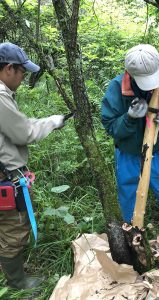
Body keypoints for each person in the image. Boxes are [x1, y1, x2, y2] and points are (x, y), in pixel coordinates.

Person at [101, 44, 159, 251]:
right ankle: (134, 247)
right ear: (131, 74)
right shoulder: (117, 88)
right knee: (128, 199)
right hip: (127, 155)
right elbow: (110, 126)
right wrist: (129, 118)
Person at [0, 42, 65, 290]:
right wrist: (52, 122)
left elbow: (13, 127)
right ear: (8, 68)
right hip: (5, 177)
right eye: (22, 72)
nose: (22, 77)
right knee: (14, 228)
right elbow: (23, 133)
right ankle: (17, 282)